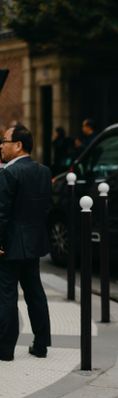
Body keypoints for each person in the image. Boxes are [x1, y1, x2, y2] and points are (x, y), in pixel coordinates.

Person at [0, 125, 52, 360]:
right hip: (33, 243)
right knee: (35, 293)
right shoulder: (43, 172)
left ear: (18, 145)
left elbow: (2, 213)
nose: (1, 146)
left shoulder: (9, 173)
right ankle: (41, 345)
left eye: (4, 141)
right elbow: (46, 209)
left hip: (9, 244)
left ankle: (5, 349)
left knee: (6, 295)